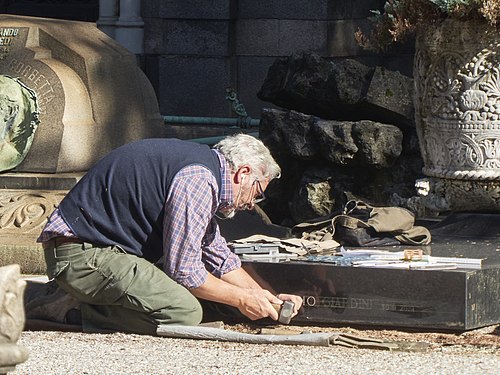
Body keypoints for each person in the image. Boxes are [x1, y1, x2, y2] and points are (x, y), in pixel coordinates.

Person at [27, 134, 303, 335]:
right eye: (257, 191)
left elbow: (216, 253)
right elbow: (185, 270)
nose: (253, 203)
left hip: (97, 249)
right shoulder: (199, 179)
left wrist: (267, 298)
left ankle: (72, 293)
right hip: (84, 253)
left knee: (203, 297)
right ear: (242, 173)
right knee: (184, 311)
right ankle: (68, 309)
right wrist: (242, 300)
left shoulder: (203, 170)